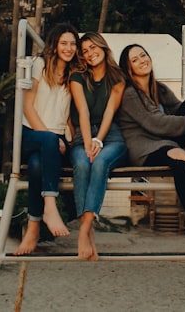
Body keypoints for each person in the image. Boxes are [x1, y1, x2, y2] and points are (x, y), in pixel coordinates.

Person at [117, 43, 185, 247]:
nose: (142, 61)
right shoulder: (130, 94)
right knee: (181, 161)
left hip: (162, 139)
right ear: (128, 68)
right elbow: (156, 123)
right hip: (143, 147)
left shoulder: (159, 88)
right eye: (135, 60)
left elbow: (180, 109)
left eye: (143, 55)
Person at [13, 23, 79, 255]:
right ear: (54, 44)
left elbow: (68, 112)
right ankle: (50, 206)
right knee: (47, 143)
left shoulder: (73, 74)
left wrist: (69, 137)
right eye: (64, 43)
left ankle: (32, 230)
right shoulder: (38, 65)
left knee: (36, 166)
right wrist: (49, 137)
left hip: (56, 138)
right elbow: (28, 108)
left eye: (72, 44)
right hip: (31, 132)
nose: (69, 48)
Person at [68, 32, 128, 260]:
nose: (90, 53)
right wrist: (87, 141)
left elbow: (110, 112)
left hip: (110, 136)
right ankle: (89, 229)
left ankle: (83, 229)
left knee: (100, 161)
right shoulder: (77, 76)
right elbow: (82, 111)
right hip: (82, 135)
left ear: (103, 48)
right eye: (85, 51)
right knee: (83, 164)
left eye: (94, 48)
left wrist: (99, 141)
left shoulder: (118, 77)